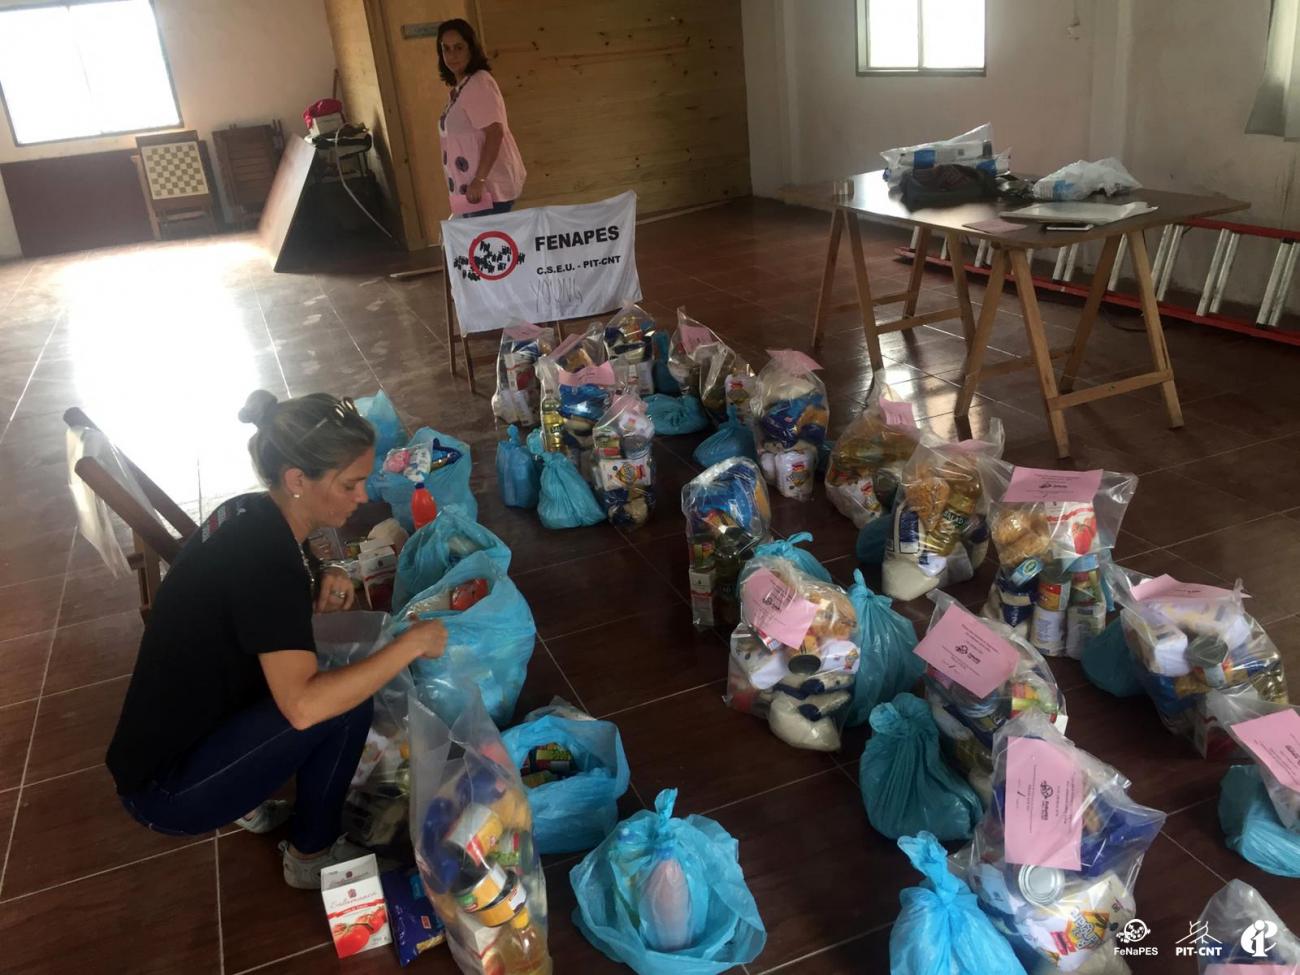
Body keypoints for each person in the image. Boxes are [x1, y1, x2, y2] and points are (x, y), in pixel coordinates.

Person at [106, 390, 447, 889]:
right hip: (165, 791)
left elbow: (261, 592)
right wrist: (410, 645)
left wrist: (327, 572)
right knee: (342, 705)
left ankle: (245, 793)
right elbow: (304, 708)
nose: (361, 497)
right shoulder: (267, 564)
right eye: (350, 484)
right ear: (297, 480)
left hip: (167, 739)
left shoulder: (251, 512)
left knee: (327, 684)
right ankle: (312, 855)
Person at [437, 18, 526, 217]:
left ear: (471, 48)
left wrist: (479, 180)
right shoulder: (462, 87)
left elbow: (495, 132)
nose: (452, 55)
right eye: (446, 49)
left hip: (486, 190)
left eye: (459, 47)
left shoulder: (479, 83)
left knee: (486, 237)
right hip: (469, 191)